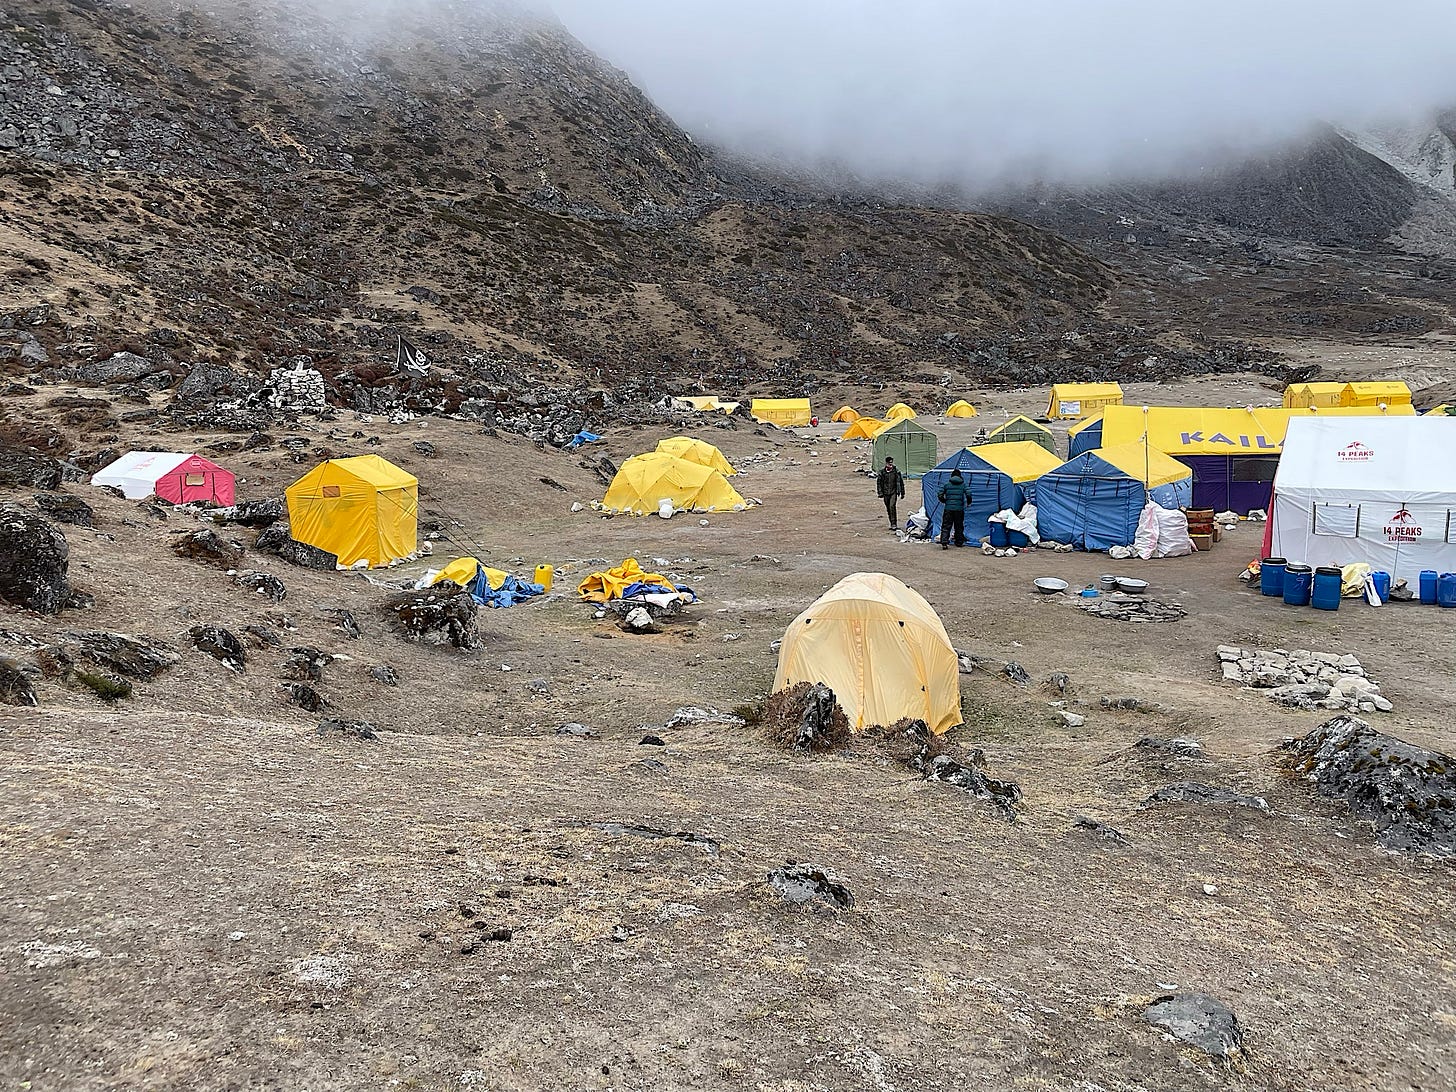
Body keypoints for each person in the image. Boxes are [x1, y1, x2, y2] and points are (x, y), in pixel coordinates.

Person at [937, 469, 969, 549]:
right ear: (960, 476)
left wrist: (944, 501)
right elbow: (969, 494)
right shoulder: (963, 485)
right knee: (959, 526)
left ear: (952, 476)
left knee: (946, 526)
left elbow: (940, 494)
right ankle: (959, 542)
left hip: (948, 509)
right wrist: (969, 502)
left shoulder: (947, 485)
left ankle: (944, 542)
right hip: (959, 509)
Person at [876, 457, 905, 530]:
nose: (890, 464)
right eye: (889, 463)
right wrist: (880, 492)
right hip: (885, 493)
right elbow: (879, 483)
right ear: (886, 463)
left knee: (892, 506)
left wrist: (902, 492)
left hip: (893, 492)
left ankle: (894, 524)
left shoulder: (896, 472)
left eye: (891, 463)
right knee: (888, 508)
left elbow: (901, 482)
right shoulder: (882, 472)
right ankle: (891, 523)